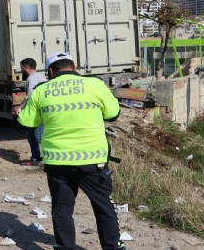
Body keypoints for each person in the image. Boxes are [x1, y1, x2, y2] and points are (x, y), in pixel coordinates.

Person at [17, 52, 126, 250]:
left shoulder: (42, 90)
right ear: (74, 68)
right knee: (104, 207)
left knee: (62, 209)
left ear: (50, 72)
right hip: (93, 161)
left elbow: (27, 121)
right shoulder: (94, 85)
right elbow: (113, 114)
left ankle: (65, 247)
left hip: (57, 163)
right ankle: (113, 247)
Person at [19, 58, 46, 167]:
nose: (21, 71)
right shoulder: (41, 76)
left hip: (35, 113)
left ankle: (36, 159)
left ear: (26, 67)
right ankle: (41, 157)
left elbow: (31, 93)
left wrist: (20, 106)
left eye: (21, 68)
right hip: (42, 110)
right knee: (40, 136)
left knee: (34, 136)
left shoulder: (32, 78)